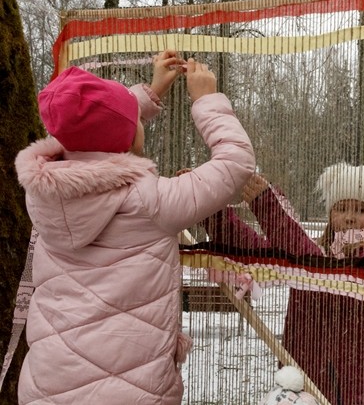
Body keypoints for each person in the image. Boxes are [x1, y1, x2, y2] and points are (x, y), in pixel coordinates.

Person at [14, 50, 255, 404]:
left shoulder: (43, 194)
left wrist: (147, 94)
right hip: (133, 391)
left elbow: (91, 134)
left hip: (49, 384)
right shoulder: (152, 202)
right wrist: (207, 101)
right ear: (128, 137)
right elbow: (236, 162)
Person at [201, 162, 364, 405]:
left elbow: (322, 273)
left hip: (356, 392)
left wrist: (270, 209)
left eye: (362, 209)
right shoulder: (321, 252)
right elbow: (258, 252)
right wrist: (208, 209)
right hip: (302, 388)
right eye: (341, 208)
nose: (350, 218)